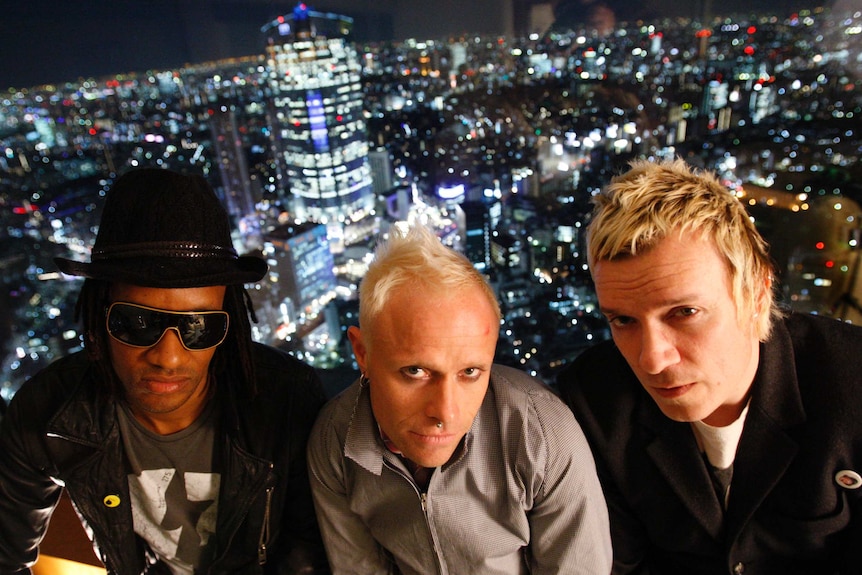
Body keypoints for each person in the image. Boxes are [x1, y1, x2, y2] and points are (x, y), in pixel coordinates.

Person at [0, 168, 330, 575]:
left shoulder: (288, 400)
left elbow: (309, 554)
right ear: (99, 314)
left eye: (199, 326)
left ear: (229, 323)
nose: (168, 357)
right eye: (138, 323)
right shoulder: (49, 414)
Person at [557, 157, 862, 574]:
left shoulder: (852, 382)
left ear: (756, 292)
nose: (651, 358)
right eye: (623, 320)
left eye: (684, 312)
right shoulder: (595, 398)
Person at [307, 224, 612, 575]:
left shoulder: (543, 435)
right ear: (362, 353)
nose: (446, 413)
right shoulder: (334, 442)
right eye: (415, 372)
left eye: (470, 372)